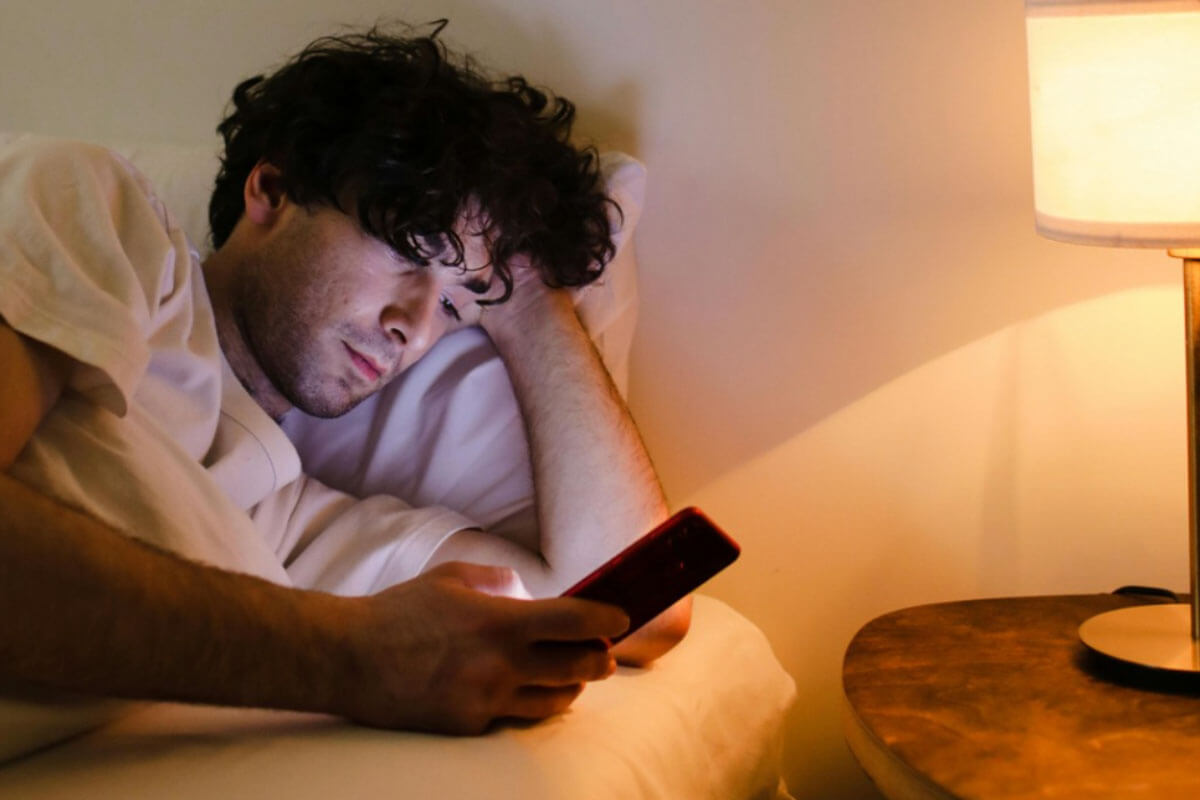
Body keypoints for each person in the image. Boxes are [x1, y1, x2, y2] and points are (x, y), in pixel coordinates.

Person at [0, 24, 689, 746]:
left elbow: (628, 609)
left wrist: (524, 299)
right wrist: (351, 658)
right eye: (406, 249)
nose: (415, 330)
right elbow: (359, 652)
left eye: (456, 307)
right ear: (273, 188)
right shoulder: (101, 212)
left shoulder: (291, 527)